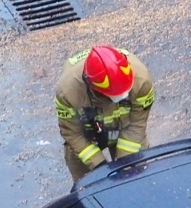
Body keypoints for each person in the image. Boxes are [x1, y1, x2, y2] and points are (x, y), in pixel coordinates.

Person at [56, 45, 157, 182]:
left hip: (123, 129)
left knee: (137, 176)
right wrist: (101, 168)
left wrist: (124, 165)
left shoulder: (142, 81)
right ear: (92, 86)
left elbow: (137, 124)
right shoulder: (67, 92)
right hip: (87, 135)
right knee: (86, 184)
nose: (122, 97)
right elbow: (73, 134)